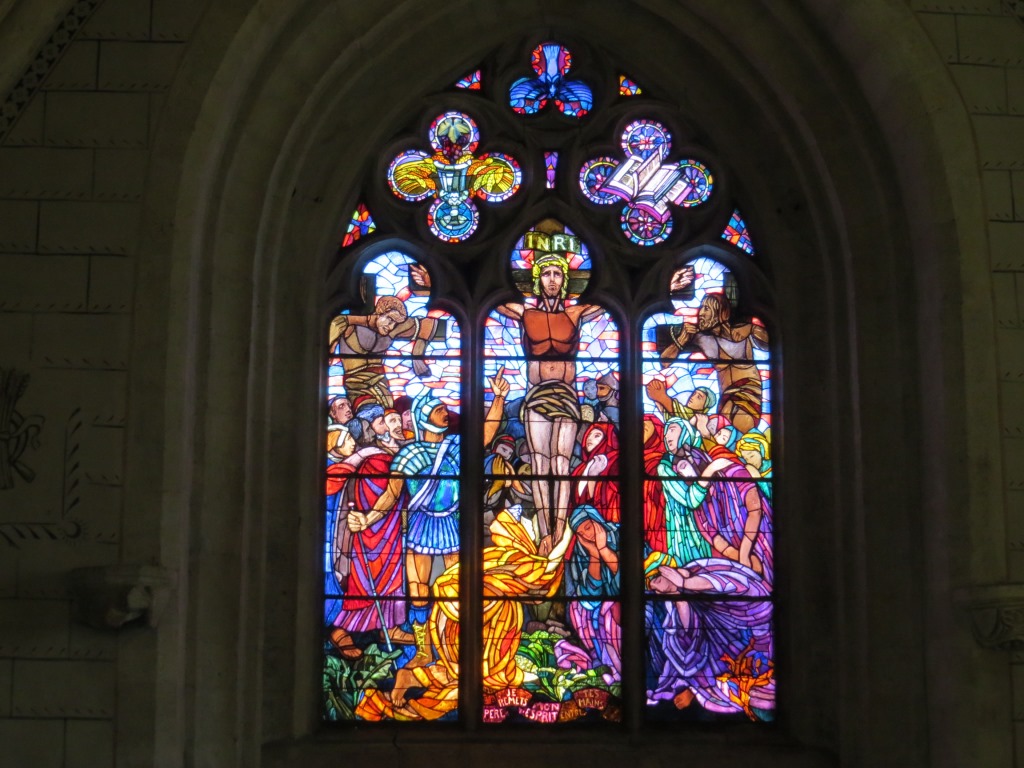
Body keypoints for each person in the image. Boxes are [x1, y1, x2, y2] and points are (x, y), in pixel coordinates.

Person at [354, 507, 573, 721]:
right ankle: (419, 675)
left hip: (464, 615)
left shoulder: (507, 555)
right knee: (474, 676)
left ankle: (413, 677)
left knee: (460, 673)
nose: (542, 544)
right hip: (463, 616)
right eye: (540, 539)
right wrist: (568, 533)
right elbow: (549, 566)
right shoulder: (521, 561)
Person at [496, 249, 604, 549]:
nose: (552, 279)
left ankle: (560, 530)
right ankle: (545, 532)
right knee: (540, 464)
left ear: (565, 280)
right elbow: (496, 301)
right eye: (546, 274)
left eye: (557, 274)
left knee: (561, 464)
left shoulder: (574, 314)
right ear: (538, 279)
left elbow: (605, 303)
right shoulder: (525, 314)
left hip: (566, 394)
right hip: (537, 394)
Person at [356, 390, 461, 667]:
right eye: (438, 410)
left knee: (456, 588)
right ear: (424, 419)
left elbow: (486, 436)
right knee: (417, 589)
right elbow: (391, 495)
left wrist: (498, 400)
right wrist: (367, 520)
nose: (445, 413)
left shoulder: (456, 447)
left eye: (444, 409)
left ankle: (456, 645)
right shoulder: (408, 455)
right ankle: (423, 651)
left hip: (451, 524)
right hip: (420, 525)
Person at [646, 557, 774, 720]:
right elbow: (689, 634)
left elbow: (734, 586)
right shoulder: (678, 595)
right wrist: (682, 591)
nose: (654, 587)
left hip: (741, 638)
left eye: (654, 580)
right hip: (730, 643)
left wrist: (683, 586)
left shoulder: (703, 572)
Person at [327, 425, 411, 657]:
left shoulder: (394, 457)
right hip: (373, 533)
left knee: (392, 572)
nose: (399, 426)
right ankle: (341, 630)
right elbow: (377, 495)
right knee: (368, 576)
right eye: (389, 421)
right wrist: (367, 520)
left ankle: (390, 626)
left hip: (391, 532)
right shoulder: (373, 462)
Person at [659, 266, 768, 434]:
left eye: (707, 309)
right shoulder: (701, 338)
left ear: (721, 313)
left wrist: (754, 330)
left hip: (748, 391)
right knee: (725, 432)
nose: (700, 313)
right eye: (701, 308)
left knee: (744, 427)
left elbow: (769, 344)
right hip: (726, 398)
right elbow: (664, 362)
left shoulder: (743, 331)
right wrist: (681, 340)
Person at [328, 276, 438, 408]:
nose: (391, 326)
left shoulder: (393, 329)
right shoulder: (351, 326)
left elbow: (428, 324)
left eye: (395, 323)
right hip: (357, 387)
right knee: (369, 413)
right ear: (380, 312)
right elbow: (336, 323)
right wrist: (332, 345)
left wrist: (417, 353)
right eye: (390, 320)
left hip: (382, 387)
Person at [564, 504, 621, 682]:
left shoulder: (621, 535)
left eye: (588, 527)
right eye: (580, 533)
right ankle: (602, 661)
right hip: (601, 609)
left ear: (596, 519)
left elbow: (630, 580)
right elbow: (590, 596)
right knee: (577, 605)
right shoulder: (580, 553)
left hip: (638, 605)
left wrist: (604, 550)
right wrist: (595, 555)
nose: (587, 535)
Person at [571, 422, 620, 524]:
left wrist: (593, 477)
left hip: (605, 521)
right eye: (588, 435)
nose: (589, 439)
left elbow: (612, 496)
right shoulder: (580, 469)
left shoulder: (615, 461)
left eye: (596, 436)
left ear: (608, 439)